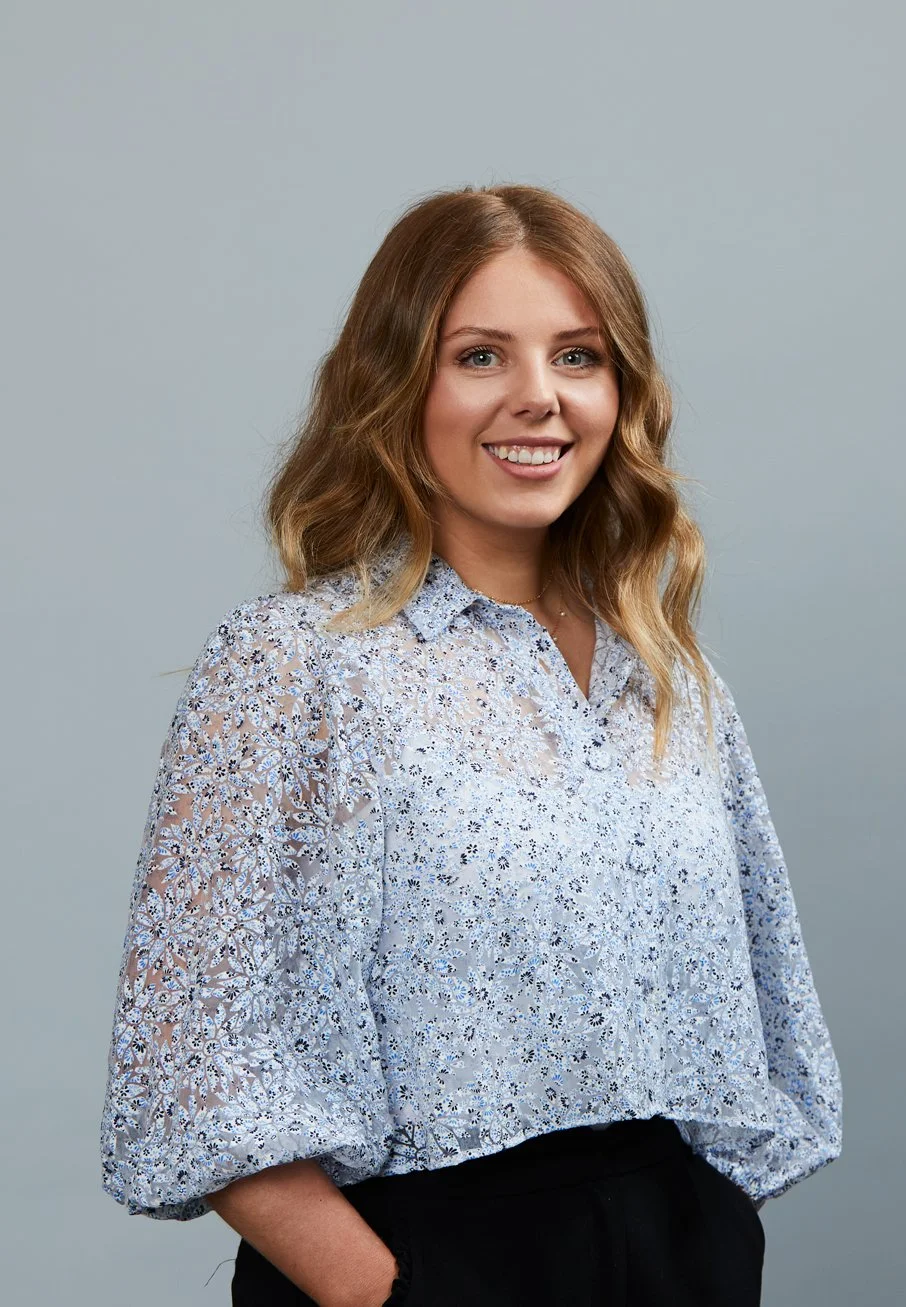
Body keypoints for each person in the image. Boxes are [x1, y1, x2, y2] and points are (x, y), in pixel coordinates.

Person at [100, 183, 842, 1307]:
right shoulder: (296, 662)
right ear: (398, 386)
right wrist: (377, 1290)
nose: (538, 398)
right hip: (427, 1256)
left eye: (578, 356)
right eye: (481, 355)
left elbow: (760, 1005)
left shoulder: (671, 677)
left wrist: (704, 1233)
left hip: (676, 1249)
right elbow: (191, 1058)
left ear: (622, 390)